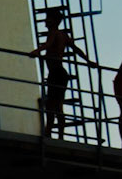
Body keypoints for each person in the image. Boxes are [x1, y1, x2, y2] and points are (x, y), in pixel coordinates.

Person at [29, 7, 92, 139]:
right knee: (57, 105)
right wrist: (88, 61)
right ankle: (59, 135)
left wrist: (36, 51)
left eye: (48, 18)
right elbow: (76, 49)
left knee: (52, 105)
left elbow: (48, 44)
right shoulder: (63, 35)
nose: (45, 21)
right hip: (60, 73)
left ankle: (48, 133)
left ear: (53, 21)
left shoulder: (53, 32)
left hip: (56, 73)